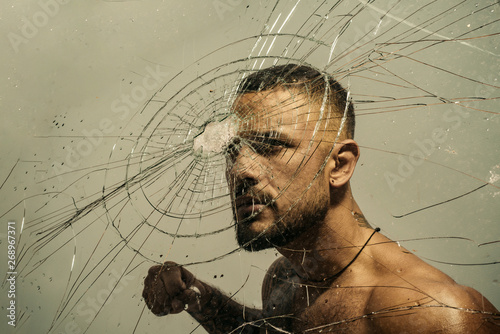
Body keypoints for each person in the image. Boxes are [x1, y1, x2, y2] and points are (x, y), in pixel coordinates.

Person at [142, 64, 499, 333]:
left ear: (340, 165)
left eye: (271, 146)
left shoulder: (431, 314)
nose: (241, 170)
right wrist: (199, 297)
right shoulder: (285, 278)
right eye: (233, 150)